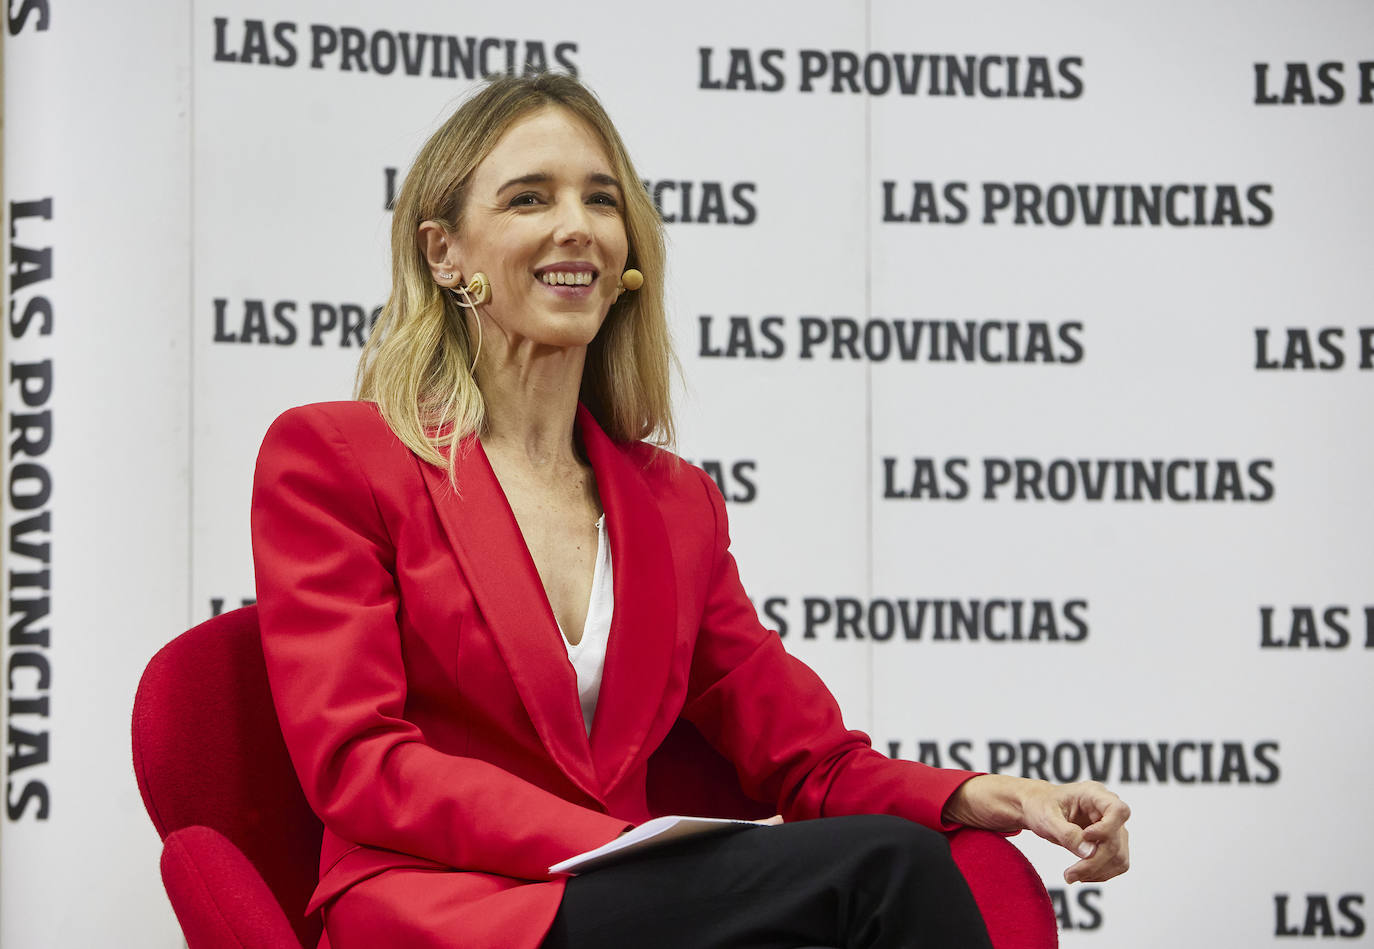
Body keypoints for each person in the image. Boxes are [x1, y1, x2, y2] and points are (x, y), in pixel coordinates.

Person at [251, 72, 1130, 949]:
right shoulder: (337, 458)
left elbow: (808, 758)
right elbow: (358, 764)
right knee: (884, 872)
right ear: (445, 253)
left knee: (894, 869)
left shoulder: (676, 506)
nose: (576, 226)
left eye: (601, 198)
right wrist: (621, 849)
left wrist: (1000, 796)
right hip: (444, 912)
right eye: (528, 198)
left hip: (635, 906)